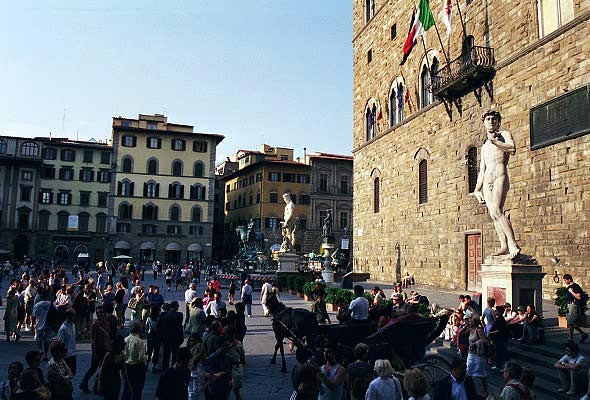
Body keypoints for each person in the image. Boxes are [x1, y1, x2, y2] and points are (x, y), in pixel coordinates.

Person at [472, 110, 520, 259]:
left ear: (498, 122)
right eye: (488, 119)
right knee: (493, 214)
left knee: (498, 210)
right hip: (487, 180)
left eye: (494, 119)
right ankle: (503, 245)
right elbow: (482, 170)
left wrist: (495, 142)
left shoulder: (504, 135)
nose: (491, 121)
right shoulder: (484, 147)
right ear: (484, 123)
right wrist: (476, 189)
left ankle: (513, 244)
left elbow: (512, 149)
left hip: (500, 176)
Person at [80, 305, 111, 394]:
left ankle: (93, 385)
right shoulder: (94, 325)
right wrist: (94, 353)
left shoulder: (107, 323)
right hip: (98, 351)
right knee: (94, 369)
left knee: (101, 369)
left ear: (104, 313)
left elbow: (108, 337)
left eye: (101, 312)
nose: (99, 314)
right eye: (98, 313)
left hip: (105, 350)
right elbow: (93, 341)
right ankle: (88, 385)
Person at [123, 320, 148, 400]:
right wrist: (146, 359)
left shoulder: (125, 339)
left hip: (127, 366)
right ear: (138, 329)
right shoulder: (139, 342)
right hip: (137, 367)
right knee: (137, 389)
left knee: (127, 387)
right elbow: (141, 358)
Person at [466, 316, 489, 397]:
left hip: (479, 355)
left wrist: (476, 344)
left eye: (470, 321)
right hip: (471, 354)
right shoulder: (470, 330)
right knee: (468, 371)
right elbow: (461, 333)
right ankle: (469, 388)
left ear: (474, 322)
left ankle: (485, 389)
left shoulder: (479, 330)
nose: (469, 322)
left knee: (481, 373)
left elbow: (485, 341)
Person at [204, 335, 233, 400]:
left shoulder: (228, 358)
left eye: (229, 345)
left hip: (224, 388)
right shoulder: (212, 358)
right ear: (219, 346)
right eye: (226, 345)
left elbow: (230, 370)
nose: (228, 347)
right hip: (215, 390)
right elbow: (207, 374)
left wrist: (231, 380)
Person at [98, 335, 126, 400]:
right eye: (122, 344)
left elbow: (124, 370)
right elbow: (102, 370)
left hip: (116, 381)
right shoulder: (108, 355)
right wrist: (99, 384)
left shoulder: (121, 355)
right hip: (107, 381)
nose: (123, 346)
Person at [563, 274, 589, 343]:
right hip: (569, 306)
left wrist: (571, 292)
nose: (565, 281)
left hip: (574, 306)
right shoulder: (569, 286)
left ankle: (570, 339)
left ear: (569, 279)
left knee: (571, 322)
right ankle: (583, 334)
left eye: (565, 280)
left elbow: (578, 297)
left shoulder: (575, 286)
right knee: (571, 323)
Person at [160, 301, 184, 371]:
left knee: (166, 354)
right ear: (175, 306)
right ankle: (174, 368)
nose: (178, 307)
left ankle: (165, 368)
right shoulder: (179, 315)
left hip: (166, 337)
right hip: (176, 337)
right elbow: (179, 327)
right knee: (175, 354)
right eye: (178, 305)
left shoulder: (163, 314)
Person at [56, 309, 77, 375]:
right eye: (73, 315)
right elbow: (60, 343)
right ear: (68, 316)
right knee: (66, 374)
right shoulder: (63, 329)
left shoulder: (73, 326)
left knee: (72, 373)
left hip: (73, 354)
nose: (74, 317)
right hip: (66, 356)